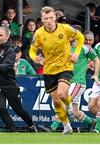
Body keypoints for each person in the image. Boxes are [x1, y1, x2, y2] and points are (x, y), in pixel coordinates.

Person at [29, 6, 84, 134]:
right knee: (56, 101)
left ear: (55, 18)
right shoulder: (38, 34)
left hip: (65, 66)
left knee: (61, 94)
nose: (49, 21)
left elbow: (80, 37)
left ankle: (70, 107)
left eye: (51, 18)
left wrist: (76, 53)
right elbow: (32, 50)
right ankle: (66, 126)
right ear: (42, 19)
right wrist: (34, 57)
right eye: (46, 18)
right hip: (49, 69)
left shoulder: (64, 28)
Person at [0, 26, 37, 132]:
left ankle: (31, 125)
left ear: (7, 36)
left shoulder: (10, 51)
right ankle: (12, 129)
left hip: (9, 85)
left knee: (18, 110)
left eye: (1, 35)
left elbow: (6, 66)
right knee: (1, 109)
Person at [50, 31, 99, 132]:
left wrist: (95, 74)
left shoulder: (85, 48)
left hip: (78, 82)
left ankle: (53, 126)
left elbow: (96, 60)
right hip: (68, 82)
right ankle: (91, 122)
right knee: (75, 112)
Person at [88, 42, 100, 133]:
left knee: (99, 103)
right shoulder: (98, 46)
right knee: (91, 106)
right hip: (98, 80)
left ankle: (98, 128)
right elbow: (93, 59)